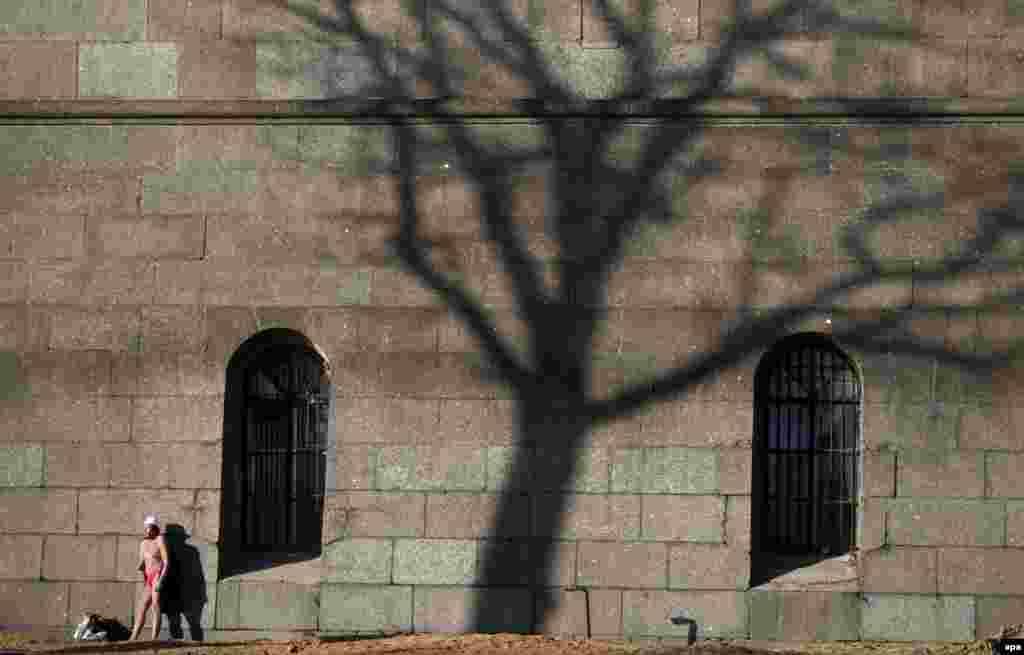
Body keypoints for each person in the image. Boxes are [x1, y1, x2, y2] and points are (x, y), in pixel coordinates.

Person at [129, 515, 170, 640]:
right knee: (142, 607)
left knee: (156, 605)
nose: (148, 530)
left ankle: (154, 639)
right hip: (148, 578)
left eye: (150, 527)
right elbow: (143, 563)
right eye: (147, 527)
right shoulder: (143, 543)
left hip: (157, 575)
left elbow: (166, 561)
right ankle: (133, 638)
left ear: (155, 528)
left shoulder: (160, 539)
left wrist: (161, 580)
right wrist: (141, 567)